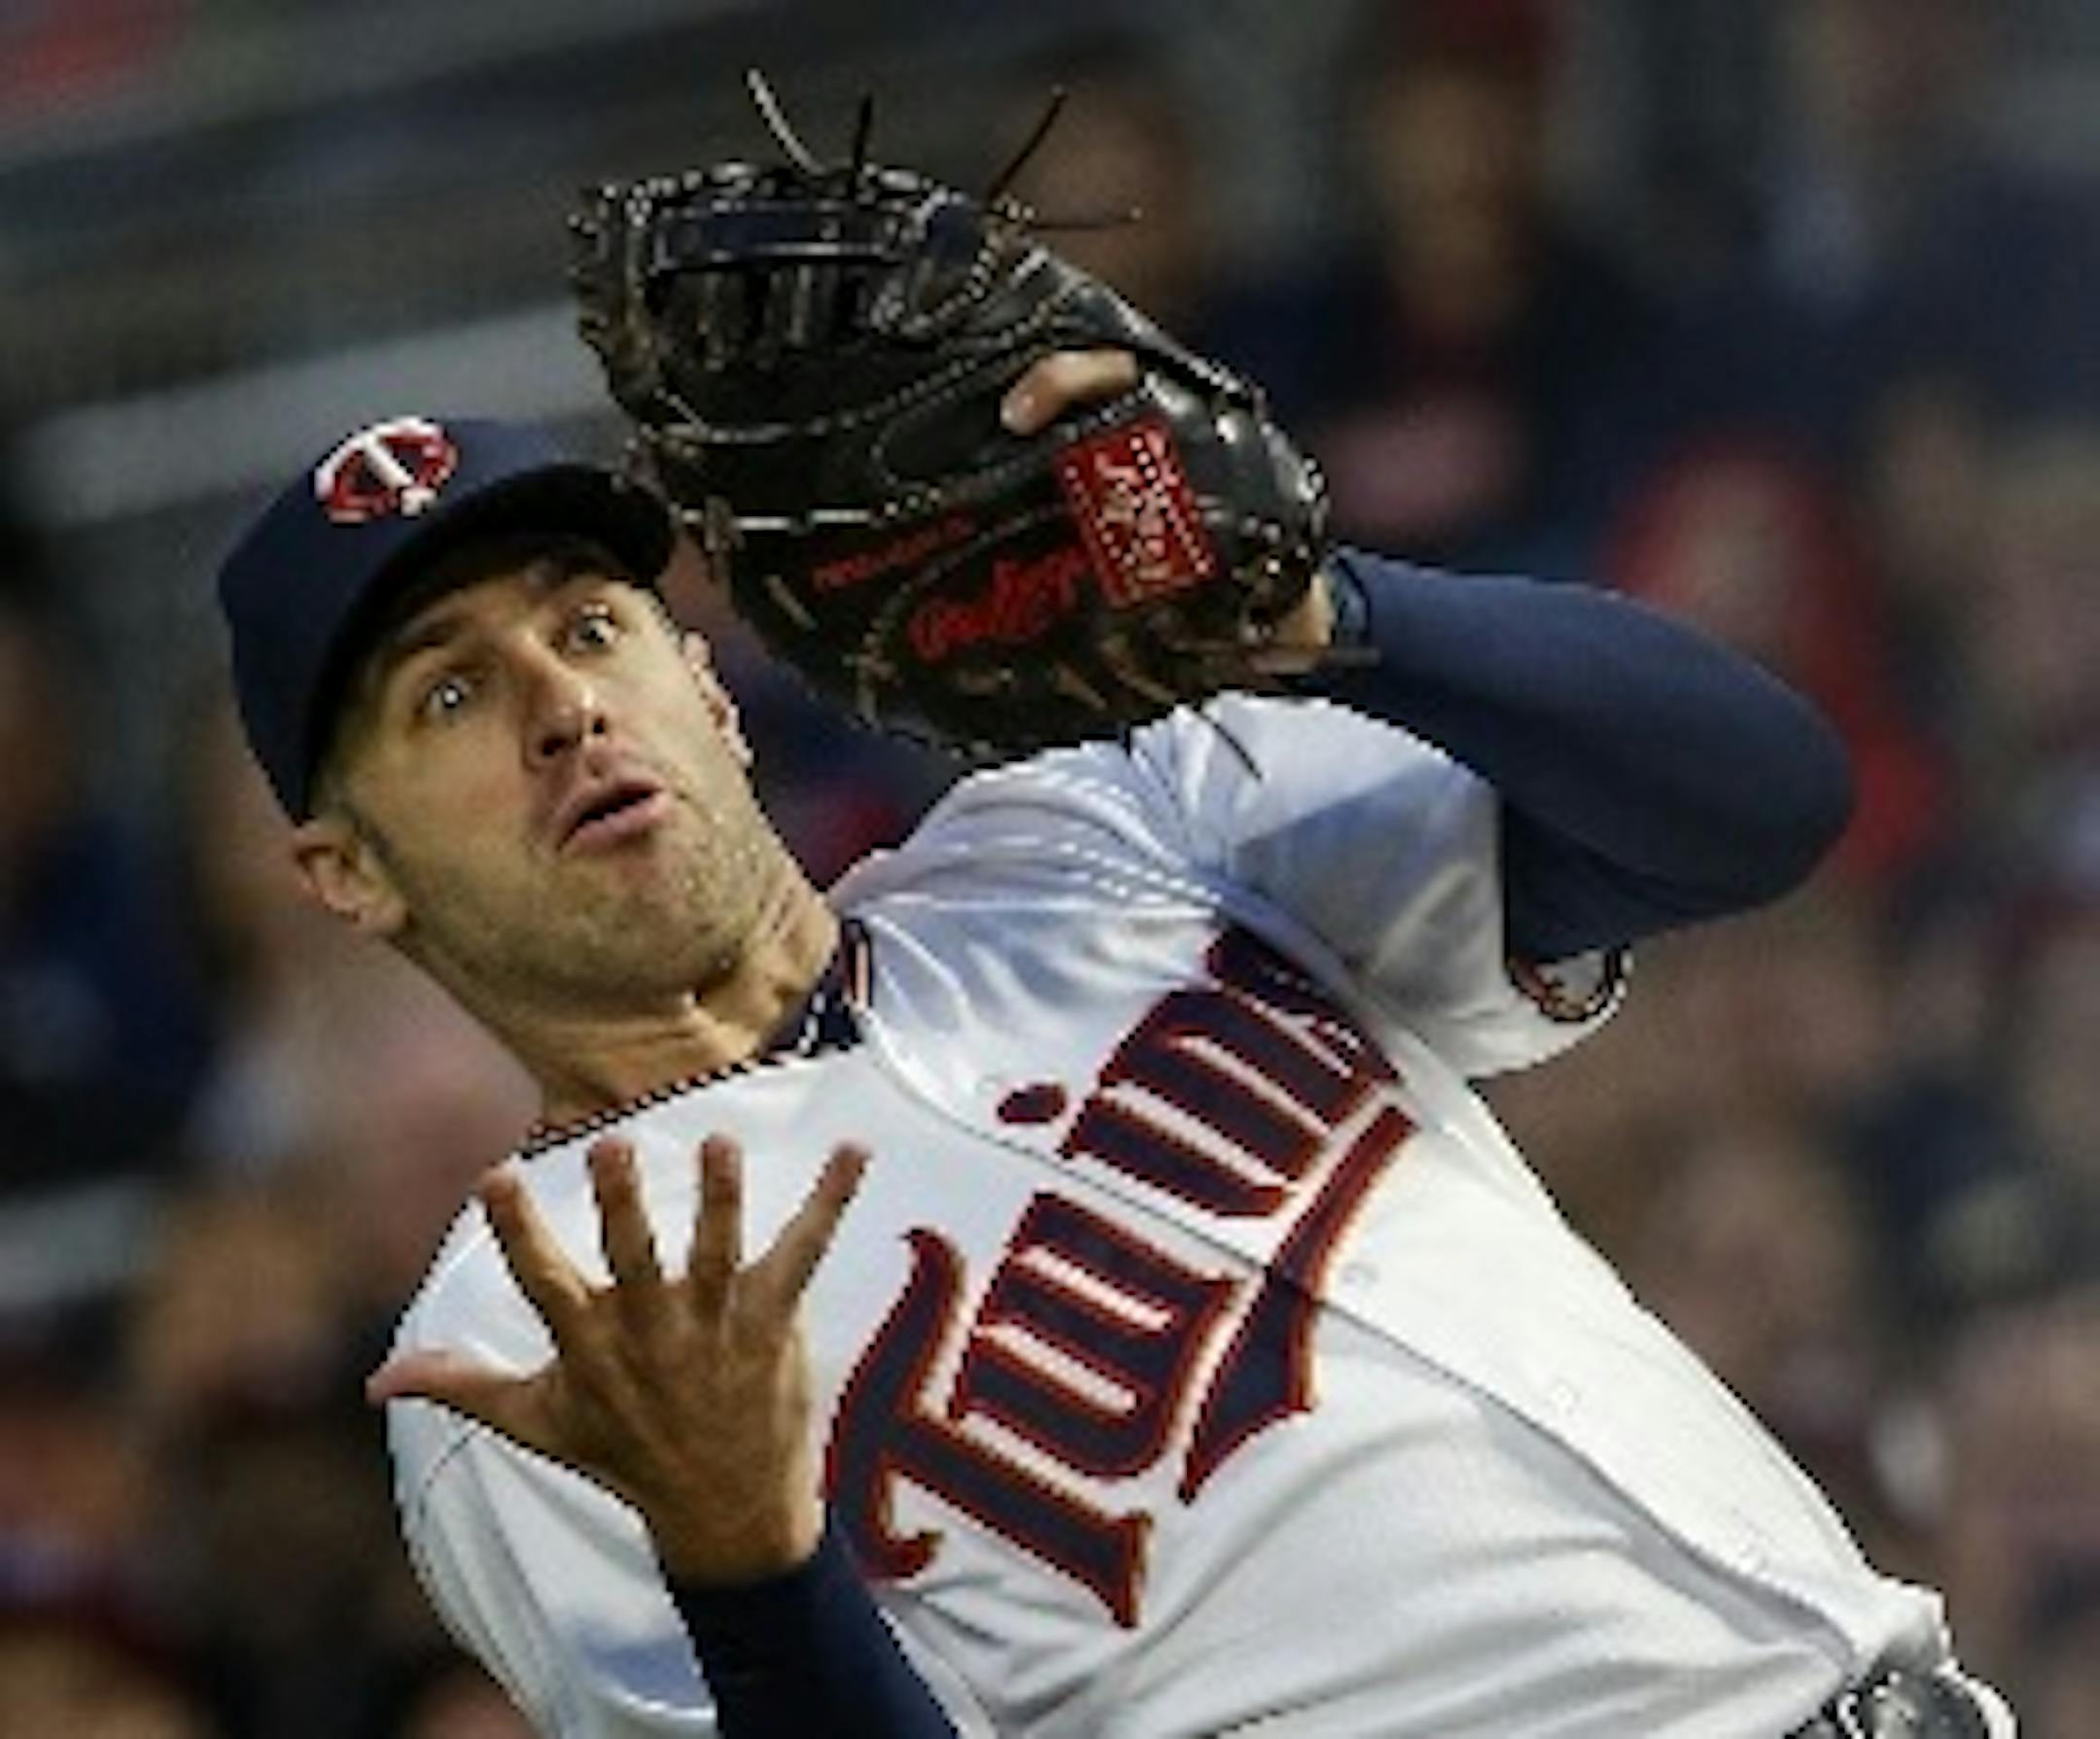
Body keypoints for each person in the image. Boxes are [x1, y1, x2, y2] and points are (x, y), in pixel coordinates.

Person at [213, 365, 2016, 1736]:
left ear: (708, 686)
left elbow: (1752, 805)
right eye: (450, 690)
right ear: (346, 869)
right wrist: (748, 1566)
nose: (561, 705)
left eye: (592, 625)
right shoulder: (532, 1333)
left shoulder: (1104, 830)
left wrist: (1327, 611)